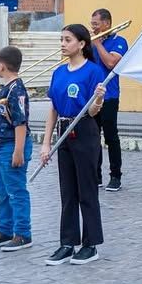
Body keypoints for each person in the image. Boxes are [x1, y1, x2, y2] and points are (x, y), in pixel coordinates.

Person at [38, 24, 107, 265]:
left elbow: (93, 111)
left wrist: (98, 99)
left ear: (82, 44)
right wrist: (46, 143)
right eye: (61, 39)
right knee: (67, 191)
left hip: (85, 130)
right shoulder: (59, 72)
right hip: (64, 131)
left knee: (86, 189)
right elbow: (53, 109)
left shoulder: (93, 72)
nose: (63, 44)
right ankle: (67, 243)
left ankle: (90, 244)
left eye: (68, 40)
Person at [0, 46, 33, 252]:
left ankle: (23, 233)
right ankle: (5, 230)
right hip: (0, 146)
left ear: (2, 66)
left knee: (16, 191)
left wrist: (18, 151)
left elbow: (20, 122)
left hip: (11, 146)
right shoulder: (8, 88)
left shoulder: (15, 90)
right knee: (3, 190)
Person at [90, 8, 127, 192]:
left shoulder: (119, 41)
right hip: (92, 97)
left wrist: (97, 44)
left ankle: (115, 176)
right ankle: (95, 175)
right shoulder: (91, 42)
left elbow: (111, 63)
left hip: (110, 96)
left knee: (111, 137)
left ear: (107, 23)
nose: (93, 28)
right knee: (92, 137)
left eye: (96, 24)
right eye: (92, 24)